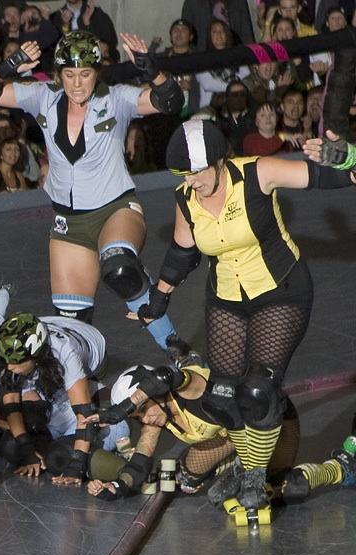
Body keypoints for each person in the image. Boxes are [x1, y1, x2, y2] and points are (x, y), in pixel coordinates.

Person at [134, 118, 355, 512]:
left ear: (221, 160)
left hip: (281, 289)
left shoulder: (257, 172)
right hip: (226, 298)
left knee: (258, 389)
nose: (193, 182)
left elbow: (335, 179)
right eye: (185, 175)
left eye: (199, 171)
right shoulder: (187, 196)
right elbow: (183, 252)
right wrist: (159, 297)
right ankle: (241, 462)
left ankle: (252, 471)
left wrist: (349, 157)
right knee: (222, 400)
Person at [0, 31, 186, 357]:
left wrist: (151, 68)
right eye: (70, 75)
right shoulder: (41, 96)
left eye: (85, 74)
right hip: (67, 224)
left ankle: (178, 351)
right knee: (71, 333)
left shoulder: (116, 99)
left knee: (120, 269)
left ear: (97, 72)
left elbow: (172, 101)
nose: (77, 84)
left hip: (115, 209)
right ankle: (85, 388)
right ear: (58, 75)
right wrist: (11, 65)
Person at [87, 363, 355, 504]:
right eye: (137, 417)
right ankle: (237, 464)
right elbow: (138, 466)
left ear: (154, 395)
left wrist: (126, 405)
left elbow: (166, 375)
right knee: (186, 479)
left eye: (143, 408)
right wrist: (117, 486)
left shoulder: (188, 389)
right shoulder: (154, 418)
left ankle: (339, 467)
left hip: (272, 423)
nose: (144, 418)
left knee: (284, 490)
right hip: (233, 437)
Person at [0, 287, 127, 477]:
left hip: (91, 351)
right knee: (12, 444)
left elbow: (79, 415)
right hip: (38, 359)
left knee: (54, 450)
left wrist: (77, 465)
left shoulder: (66, 355)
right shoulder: (1, 361)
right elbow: (1, 428)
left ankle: (131, 470)